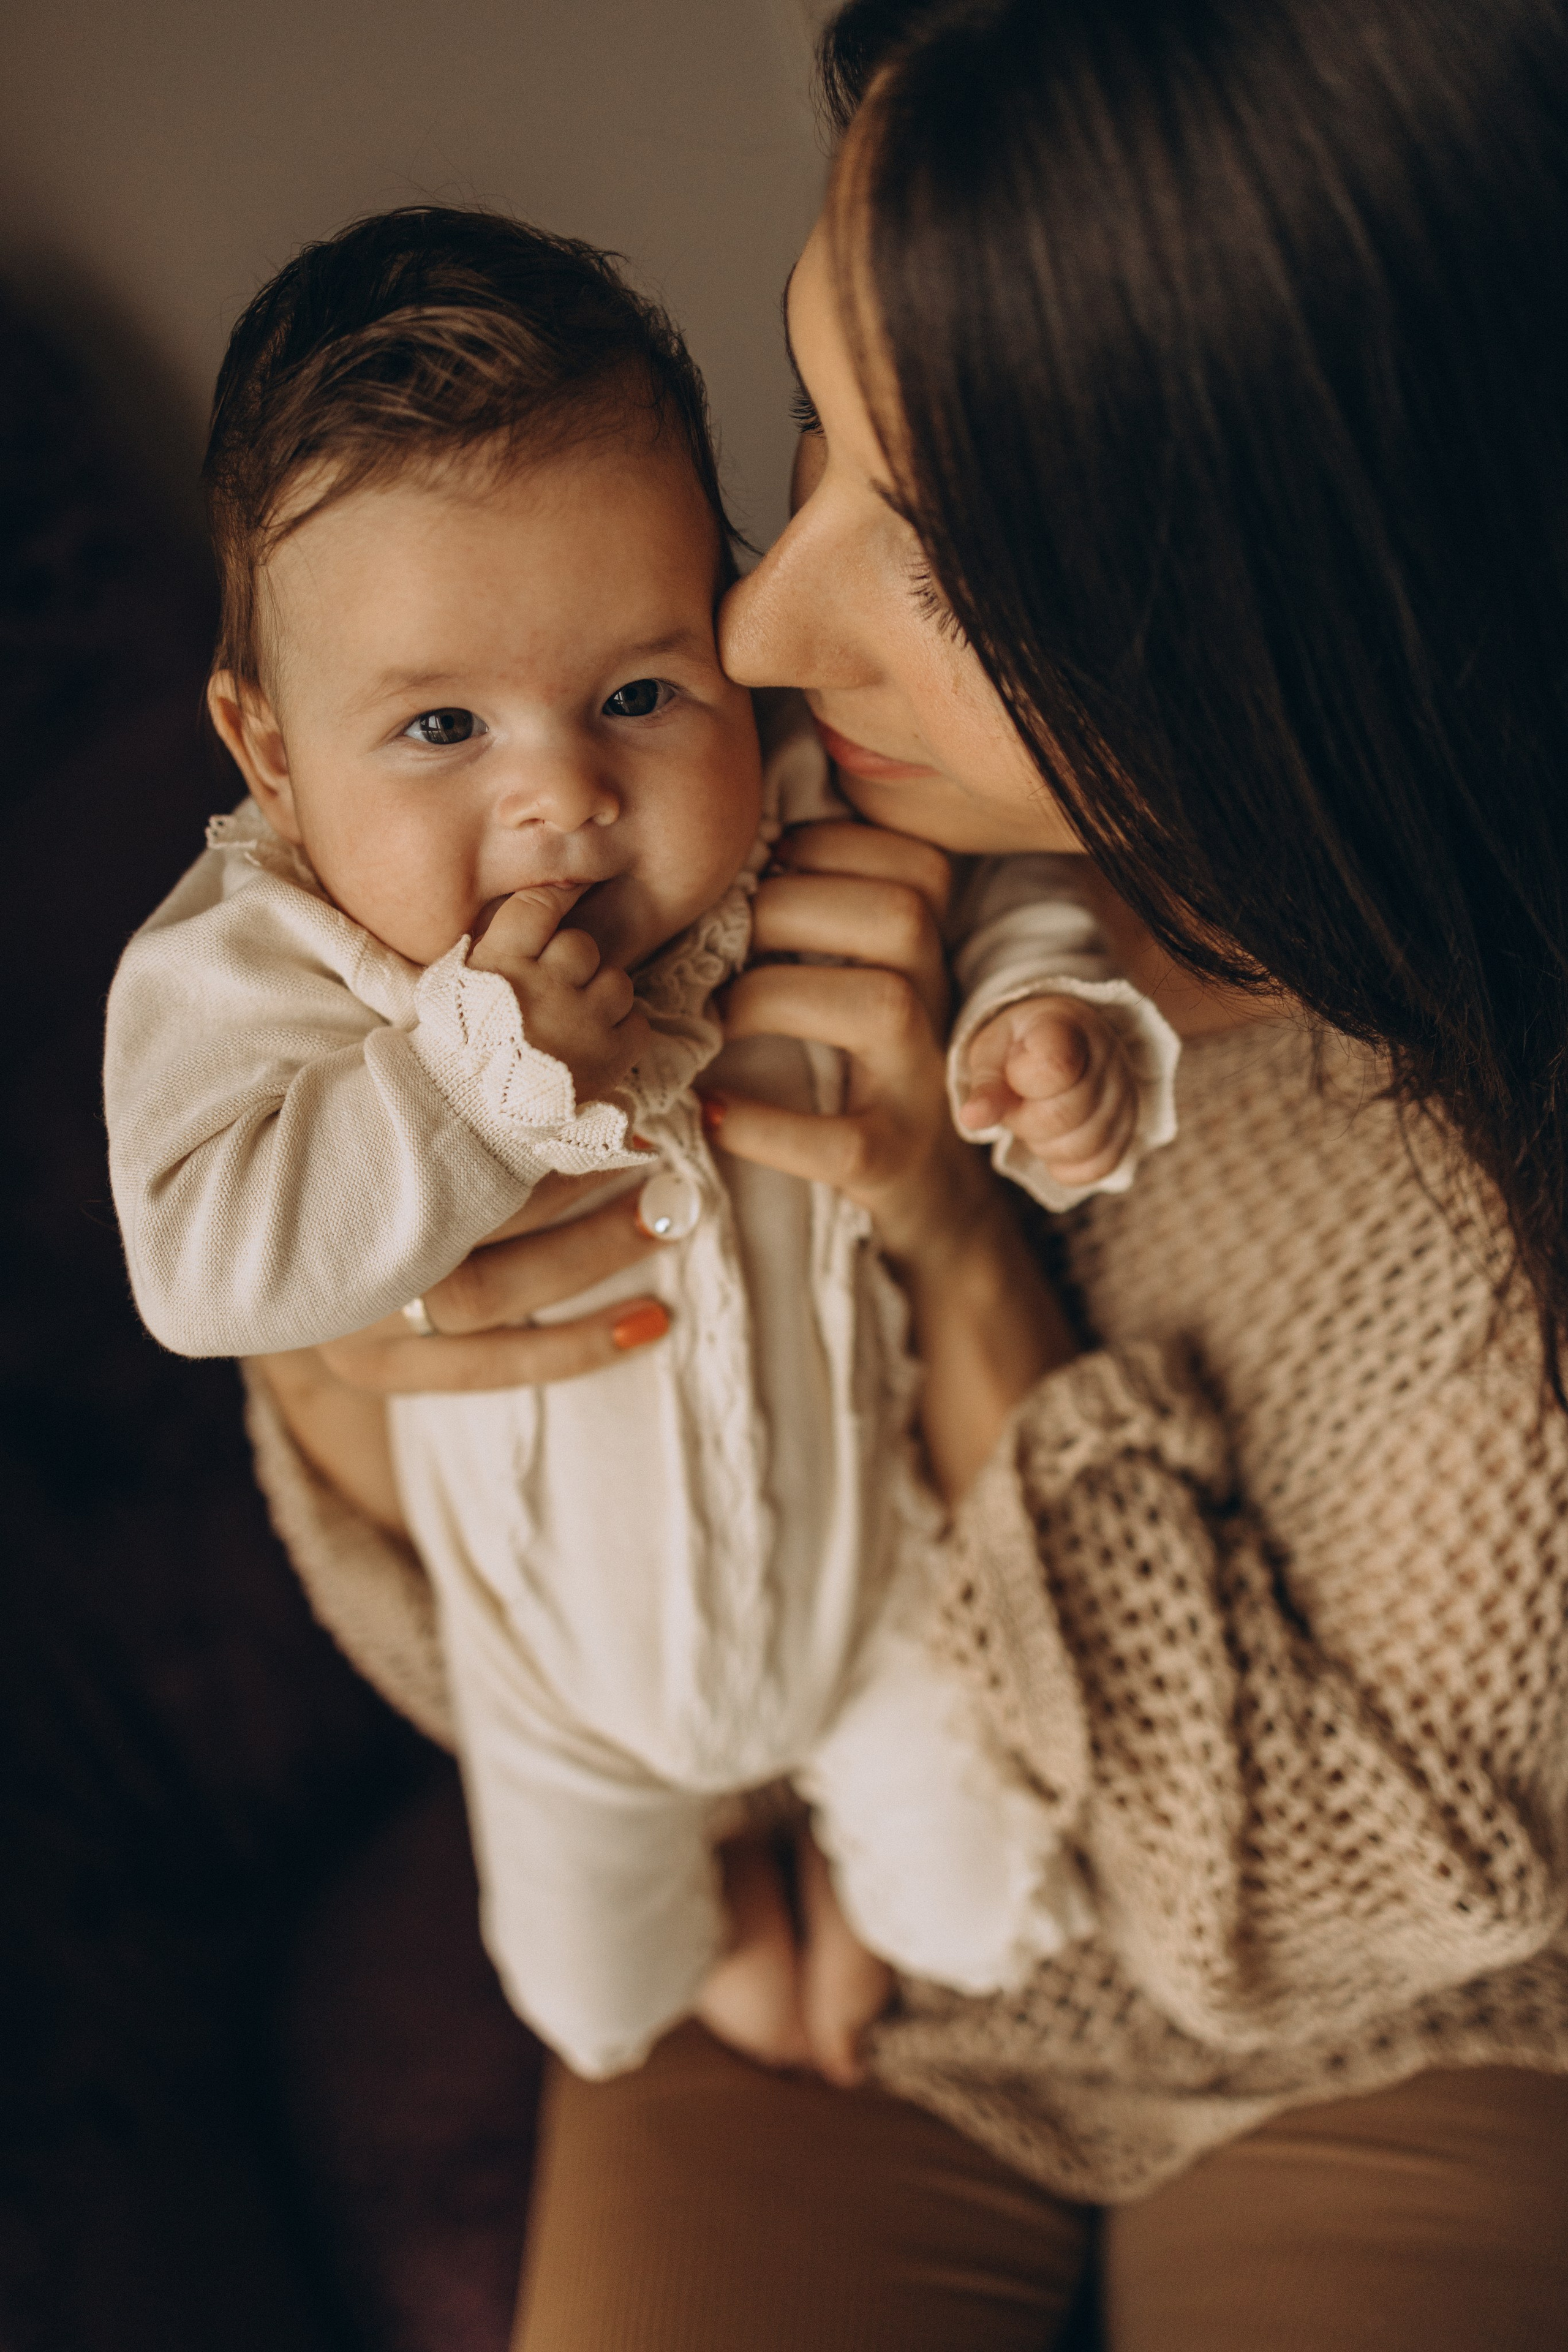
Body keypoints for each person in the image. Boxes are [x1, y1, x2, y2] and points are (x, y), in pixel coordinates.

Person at [237, 1, 1568, 2342]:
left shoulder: (1489, 1202)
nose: (752, 626)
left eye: (929, 544)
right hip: (842, 1893)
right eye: (809, 442)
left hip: (1360, 2005)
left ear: (1284, 591)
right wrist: (375, 1377)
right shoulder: (717, 842)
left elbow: (1274, 1924)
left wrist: (957, 1250)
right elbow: (572, 1673)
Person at [104, 207, 1178, 2087]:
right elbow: (198, 1265)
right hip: (549, 1683)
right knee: (595, 2001)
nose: (563, 799)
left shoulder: (791, 828)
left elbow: (987, 899)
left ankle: (851, 1922)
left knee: (990, 1915)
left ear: (725, 640)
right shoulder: (273, 965)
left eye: (637, 694)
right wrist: (453, 1087)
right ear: (268, 754)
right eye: (441, 725)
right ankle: (743, 1947)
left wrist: (1047, 1029)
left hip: (872, 1589)